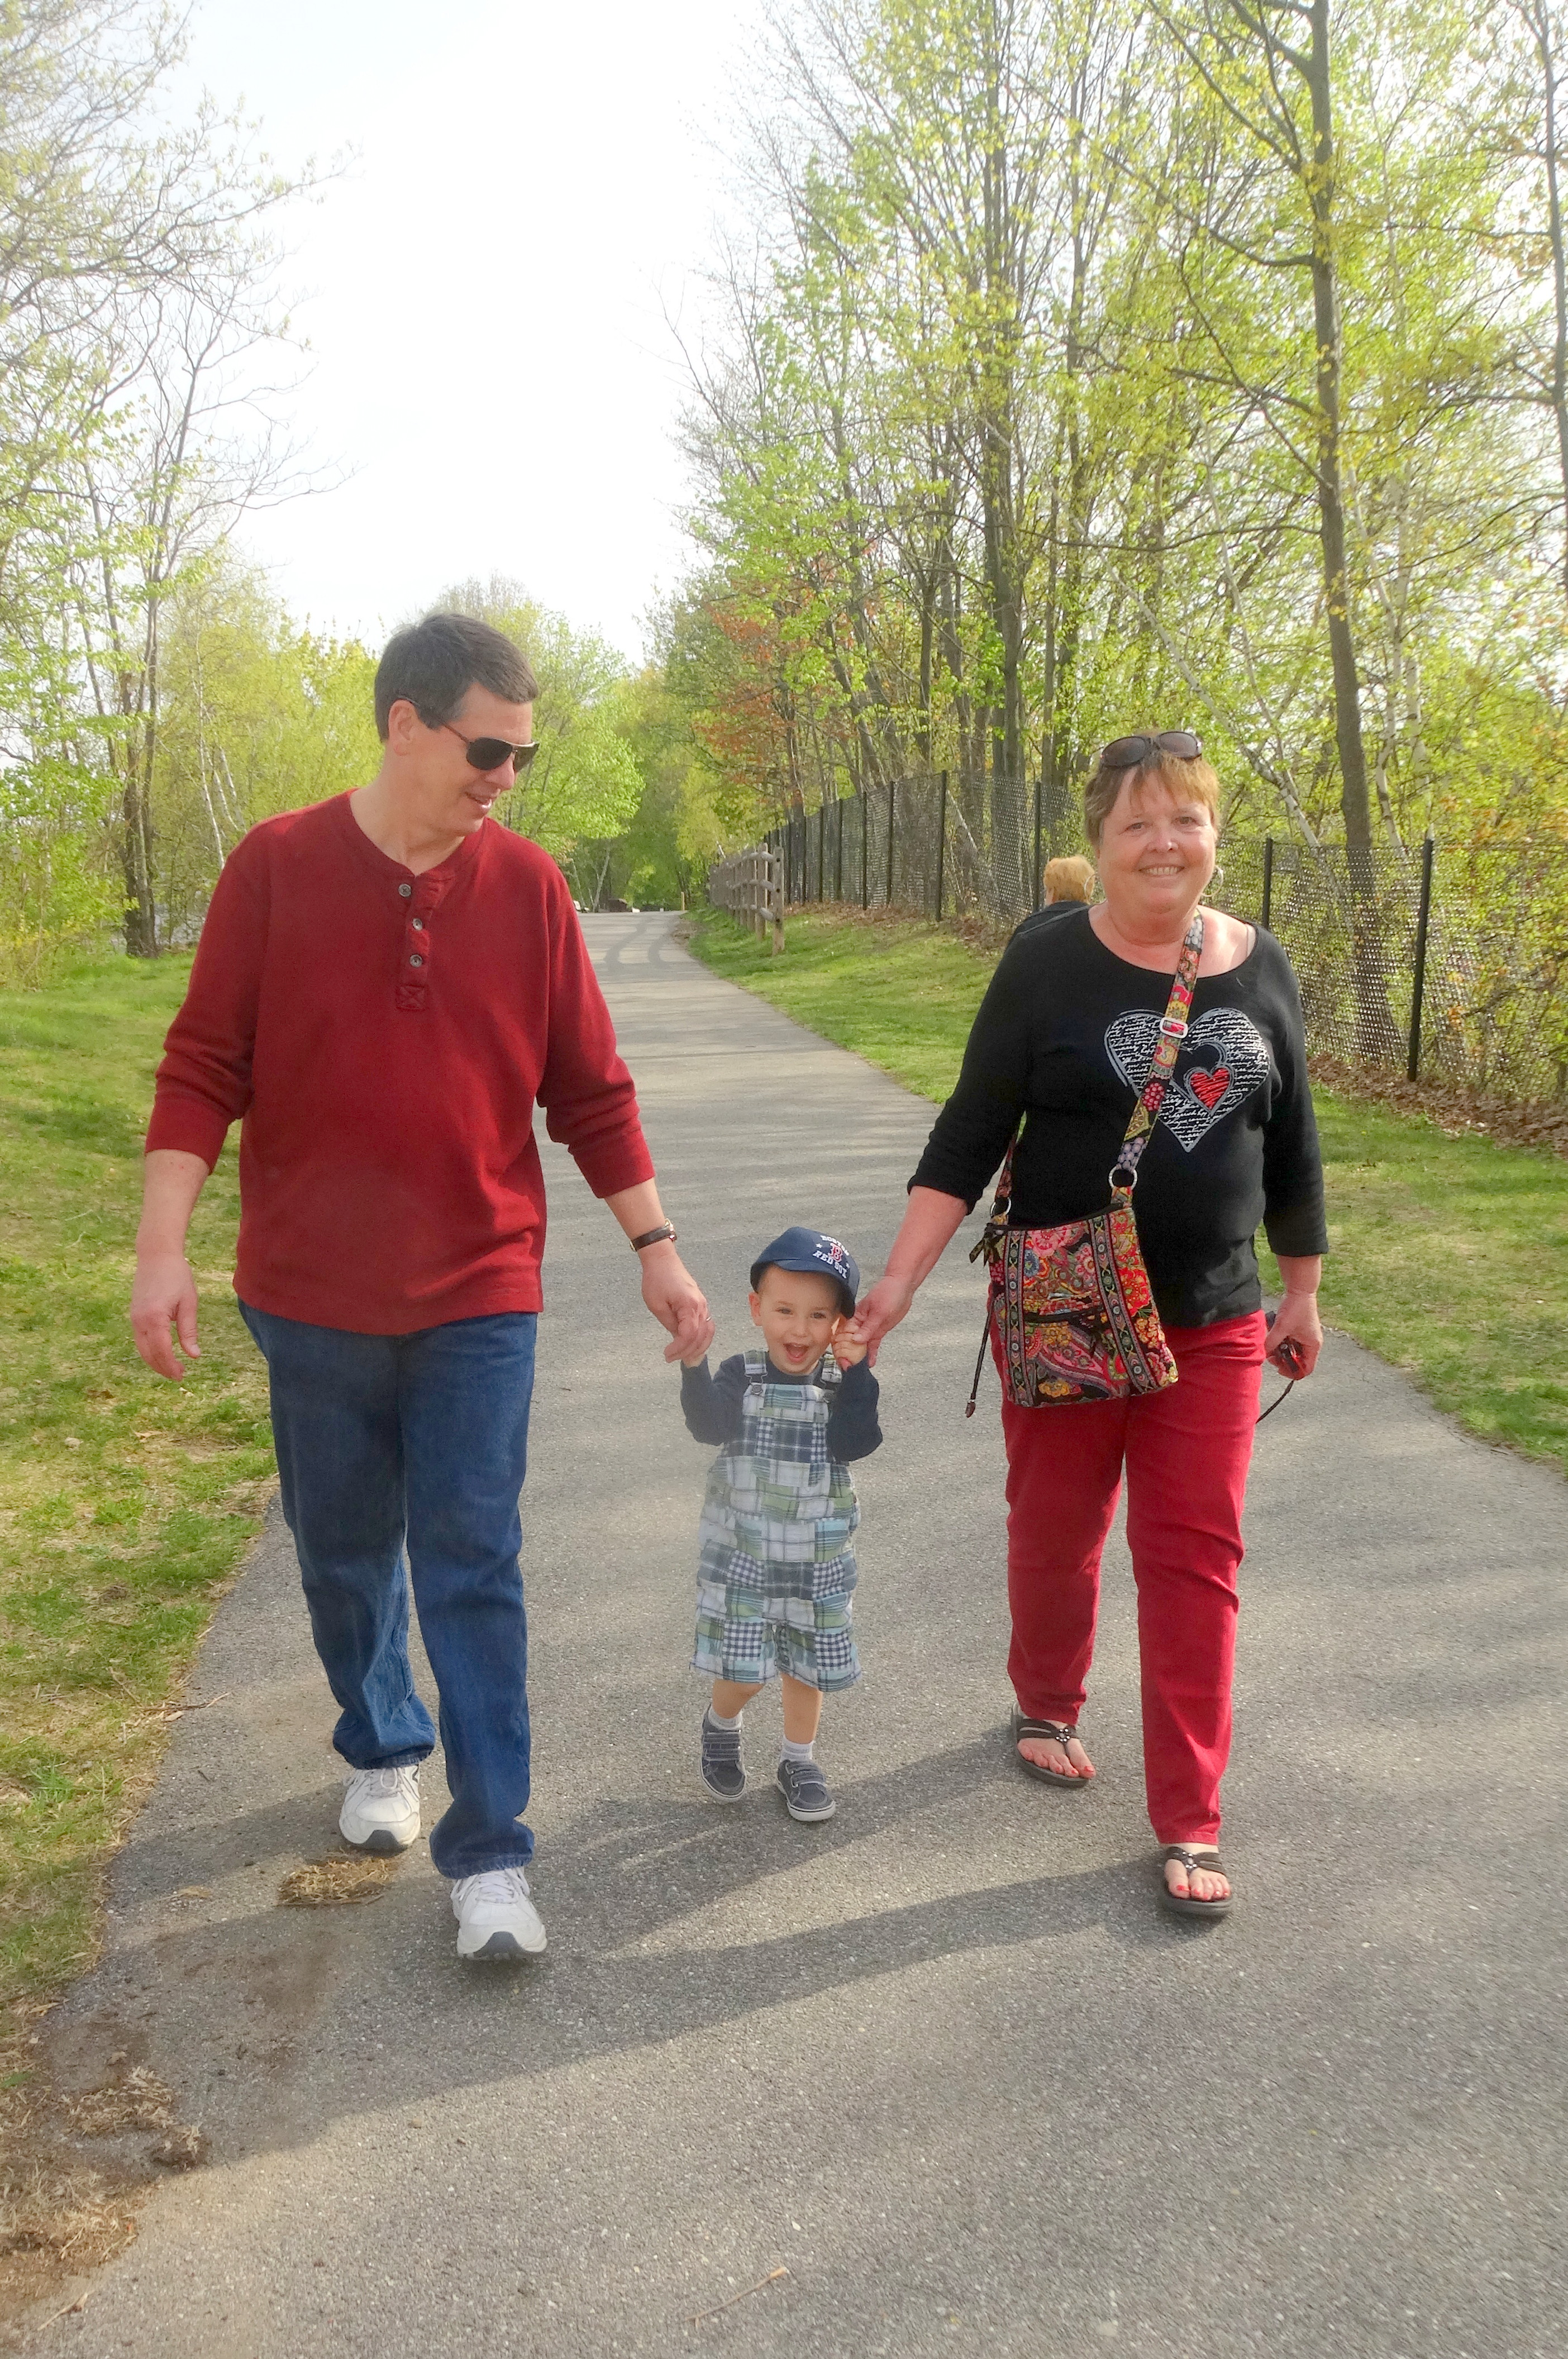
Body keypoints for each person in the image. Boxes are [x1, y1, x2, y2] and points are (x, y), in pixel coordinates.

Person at [130, 612, 709, 1963]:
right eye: (487, 750)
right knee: (341, 1550)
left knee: (472, 1555)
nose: (506, 778)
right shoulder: (275, 867)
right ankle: (384, 1739)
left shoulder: (530, 888)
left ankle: (492, 1849)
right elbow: (204, 1064)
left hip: (478, 1290)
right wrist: (163, 1245)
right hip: (309, 1290)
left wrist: (656, 1245)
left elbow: (589, 1089)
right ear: (405, 723)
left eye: (523, 756)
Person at [852, 730, 1327, 1919]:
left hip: (1212, 1318)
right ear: (1099, 841)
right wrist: (898, 1280)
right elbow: (968, 1131)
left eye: (1185, 819)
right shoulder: (1045, 963)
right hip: (1064, 1299)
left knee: (1195, 1559)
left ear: (1214, 834)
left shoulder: (1262, 964)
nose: (1163, 842)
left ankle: (1190, 1814)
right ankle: (1046, 1696)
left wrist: (1302, 1286)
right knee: (1058, 1525)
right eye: (1136, 822)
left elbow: (1292, 1141)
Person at [678, 1228, 881, 1824]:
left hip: (817, 1560)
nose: (799, 1329)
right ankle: (722, 1723)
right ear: (757, 1308)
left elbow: (856, 1441)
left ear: (838, 1321)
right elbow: (708, 1427)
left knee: (806, 1668)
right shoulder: (742, 1373)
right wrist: (694, 1365)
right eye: (785, 1310)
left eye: (818, 1315)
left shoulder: (841, 1382)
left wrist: (858, 1371)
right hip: (745, 1555)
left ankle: (799, 1759)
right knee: (745, 1672)